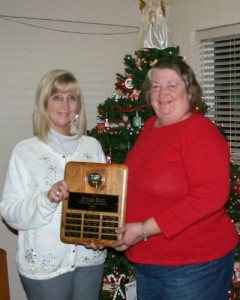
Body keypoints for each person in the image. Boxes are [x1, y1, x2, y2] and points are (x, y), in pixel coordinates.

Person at [112, 59, 238, 300]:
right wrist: (110, 230)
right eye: (156, 86)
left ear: (189, 93)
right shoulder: (150, 127)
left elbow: (209, 196)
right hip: (148, 260)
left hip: (194, 266)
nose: (163, 93)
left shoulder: (201, 133)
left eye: (172, 85)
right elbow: (136, 187)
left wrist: (143, 229)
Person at [0, 69, 107, 300]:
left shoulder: (92, 147)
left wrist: (101, 236)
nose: (65, 105)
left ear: (78, 105)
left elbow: (101, 204)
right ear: (44, 103)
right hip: (45, 266)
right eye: (57, 97)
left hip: (89, 260)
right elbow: (9, 212)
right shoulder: (25, 151)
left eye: (72, 98)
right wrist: (46, 199)